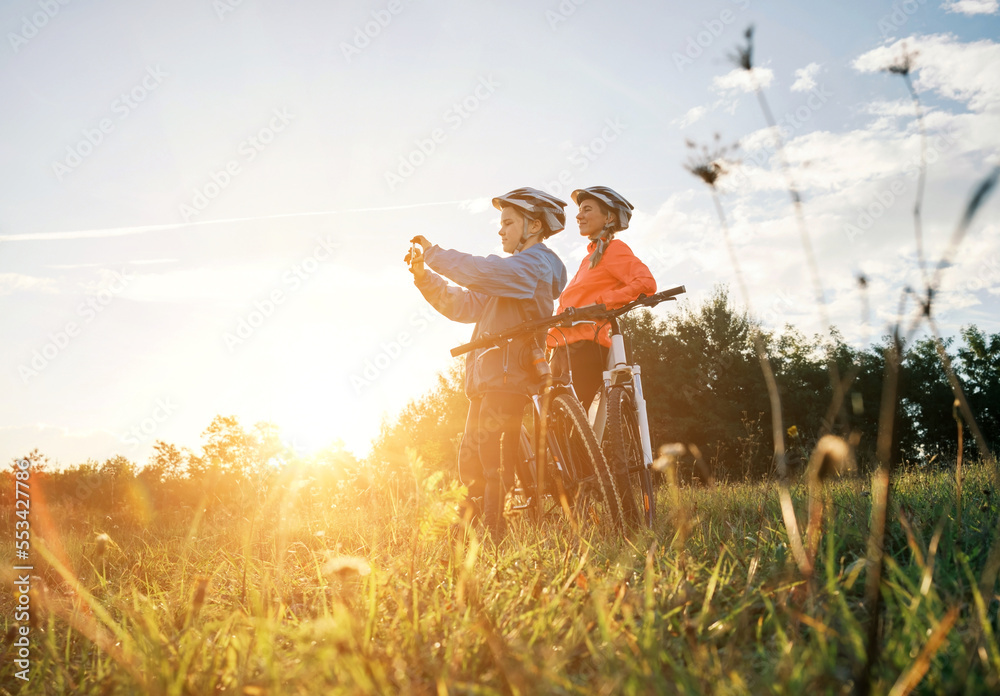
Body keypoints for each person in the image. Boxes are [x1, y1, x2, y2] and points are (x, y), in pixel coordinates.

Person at [407, 187, 568, 538]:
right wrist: (424, 277)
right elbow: (464, 305)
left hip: (508, 377)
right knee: (472, 458)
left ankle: (495, 535)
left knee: (494, 461)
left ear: (535, 226)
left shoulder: (535, 265)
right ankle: (470, 530)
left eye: (508, 222)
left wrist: (435, 254)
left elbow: (480, 271)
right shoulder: (511, 275)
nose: (501, 230)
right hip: (486, 378)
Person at [548, 186, 656, 412]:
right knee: (550, 427)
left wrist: (604, 302)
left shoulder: (614, 249)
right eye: (579, 211)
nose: (578, 216)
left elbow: (646, 282)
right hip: (561, 348)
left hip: (587, 348)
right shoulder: (588, 257)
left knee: (572, 428)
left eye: (587, 209)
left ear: (609, 217)